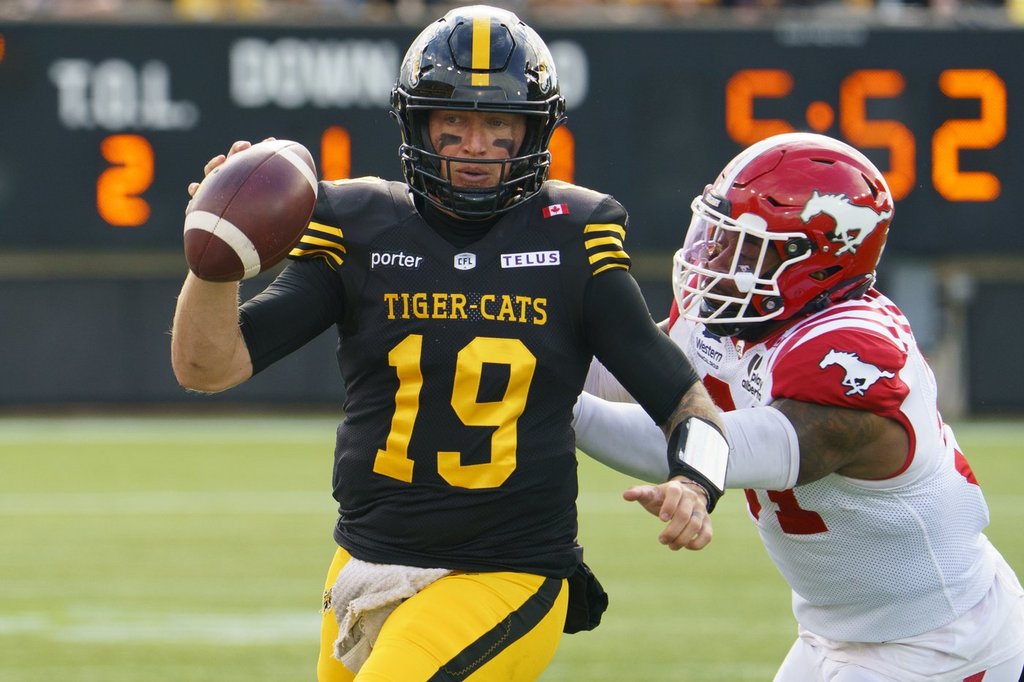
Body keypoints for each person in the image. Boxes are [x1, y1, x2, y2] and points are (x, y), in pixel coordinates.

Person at [171, 5, 728, 681]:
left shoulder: (575, 234)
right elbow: (209, 366)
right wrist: (214, 261)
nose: (475, 144)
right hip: (362, 557)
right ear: (417, 125)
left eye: (499, 123)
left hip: (508, 572)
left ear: (532, 131)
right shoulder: (357, 224)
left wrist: (696, 484)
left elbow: (685, 401)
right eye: (454, 122)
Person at [572, 132, 1024, 681]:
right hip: (838, 630)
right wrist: (518, 352)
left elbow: (715, 445)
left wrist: (563, 409)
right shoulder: (737, 318)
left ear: (811, 258)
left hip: (939, 643)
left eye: (742, 244)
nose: (713, 254)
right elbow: (635, 378)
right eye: (717, 233)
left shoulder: (850, 353)